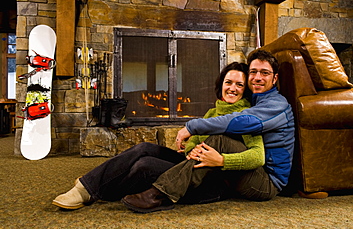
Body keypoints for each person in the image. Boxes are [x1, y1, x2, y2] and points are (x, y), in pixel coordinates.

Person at [52, 62, 262, 210]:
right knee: (144, 149)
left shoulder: (247, 116)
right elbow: (192, 147)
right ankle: (85, 187)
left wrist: (221, 160)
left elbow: (256, 156)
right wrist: (190, 150)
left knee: (144, 166)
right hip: (191, 165)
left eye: (239, 84)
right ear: (221, 84)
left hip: (210, 179)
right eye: (228, 82)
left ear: (246, 90)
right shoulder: (213, 112)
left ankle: (98, 188)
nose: (232, 88)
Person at [122, 49, 295, 213]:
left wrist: (193, 129)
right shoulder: (256, 101)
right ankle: (100, 187)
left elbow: (242, 123)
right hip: (247, 172)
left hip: (267, 182)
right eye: (253, 72)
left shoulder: (276, 105)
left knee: (218, 140)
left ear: (274, 78)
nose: (257, 77)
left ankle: (161, 194)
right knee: (145, 152)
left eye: (264, 73)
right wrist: (194, 148)